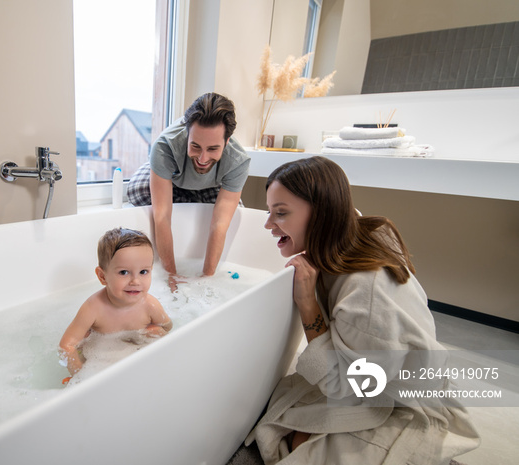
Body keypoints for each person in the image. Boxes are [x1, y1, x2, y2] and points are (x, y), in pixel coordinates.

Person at [245, 157, 479, 464]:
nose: (267, 224)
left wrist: (307, 303)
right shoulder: (353, 233)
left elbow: (354, 385)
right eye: (269, 211)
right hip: (377, 375)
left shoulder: (365, 292)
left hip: (394, 397)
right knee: (286, 413)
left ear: (322, 215)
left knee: (294, 438)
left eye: (281, 213)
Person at [127, 92, 250, 289]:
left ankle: (190, 195)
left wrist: (207, 277)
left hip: (211, 184)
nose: (202, 158)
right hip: (172, 179)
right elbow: (162, 216)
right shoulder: (164, 146)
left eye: (212, 149)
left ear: (226, 142)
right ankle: (185, 194)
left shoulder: (238, 161)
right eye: (195, 146)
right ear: (186, 135)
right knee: (137, 189)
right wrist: (171, 275)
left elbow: (219, 224)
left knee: (237, 211)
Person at [58, 227, 172, 377]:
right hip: (100, 360)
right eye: (124, 272)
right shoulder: (93, 308)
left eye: (143, 272)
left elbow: (168, 327)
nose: (135, 281)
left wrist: (158, 332)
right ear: (102, 276)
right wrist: (80, 376)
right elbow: (67, 345)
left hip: (137, 357)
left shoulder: (150, 305)